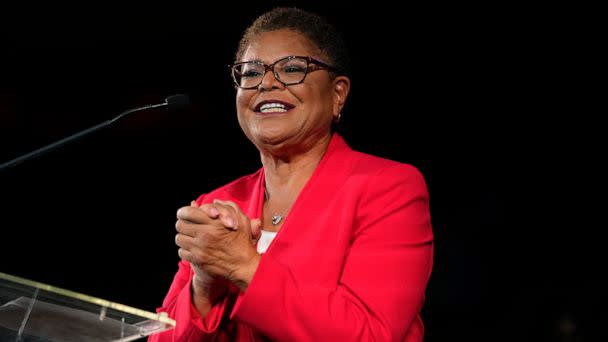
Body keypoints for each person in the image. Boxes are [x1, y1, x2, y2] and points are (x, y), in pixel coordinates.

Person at [150, 7, 433, 342]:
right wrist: (204, 285)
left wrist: (243, 267)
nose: (266, 83)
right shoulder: (218, 204)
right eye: (250, 72)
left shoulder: (388, 189)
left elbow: (370, 334)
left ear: (337, 94)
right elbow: (163, 338)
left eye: (292, 69)